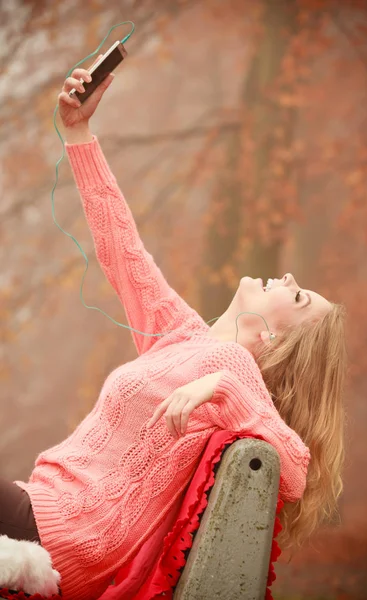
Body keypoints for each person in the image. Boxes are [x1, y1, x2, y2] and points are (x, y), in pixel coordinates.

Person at [0, 66, 346, 600]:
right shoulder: (184, 335)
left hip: (62, 536)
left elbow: (296, 469)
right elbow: (122, 247)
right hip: (38, 510)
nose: (292, 279)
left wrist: (223, 388)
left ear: (278, 340)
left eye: (298, 297)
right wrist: (78, 133)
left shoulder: (235, 371)